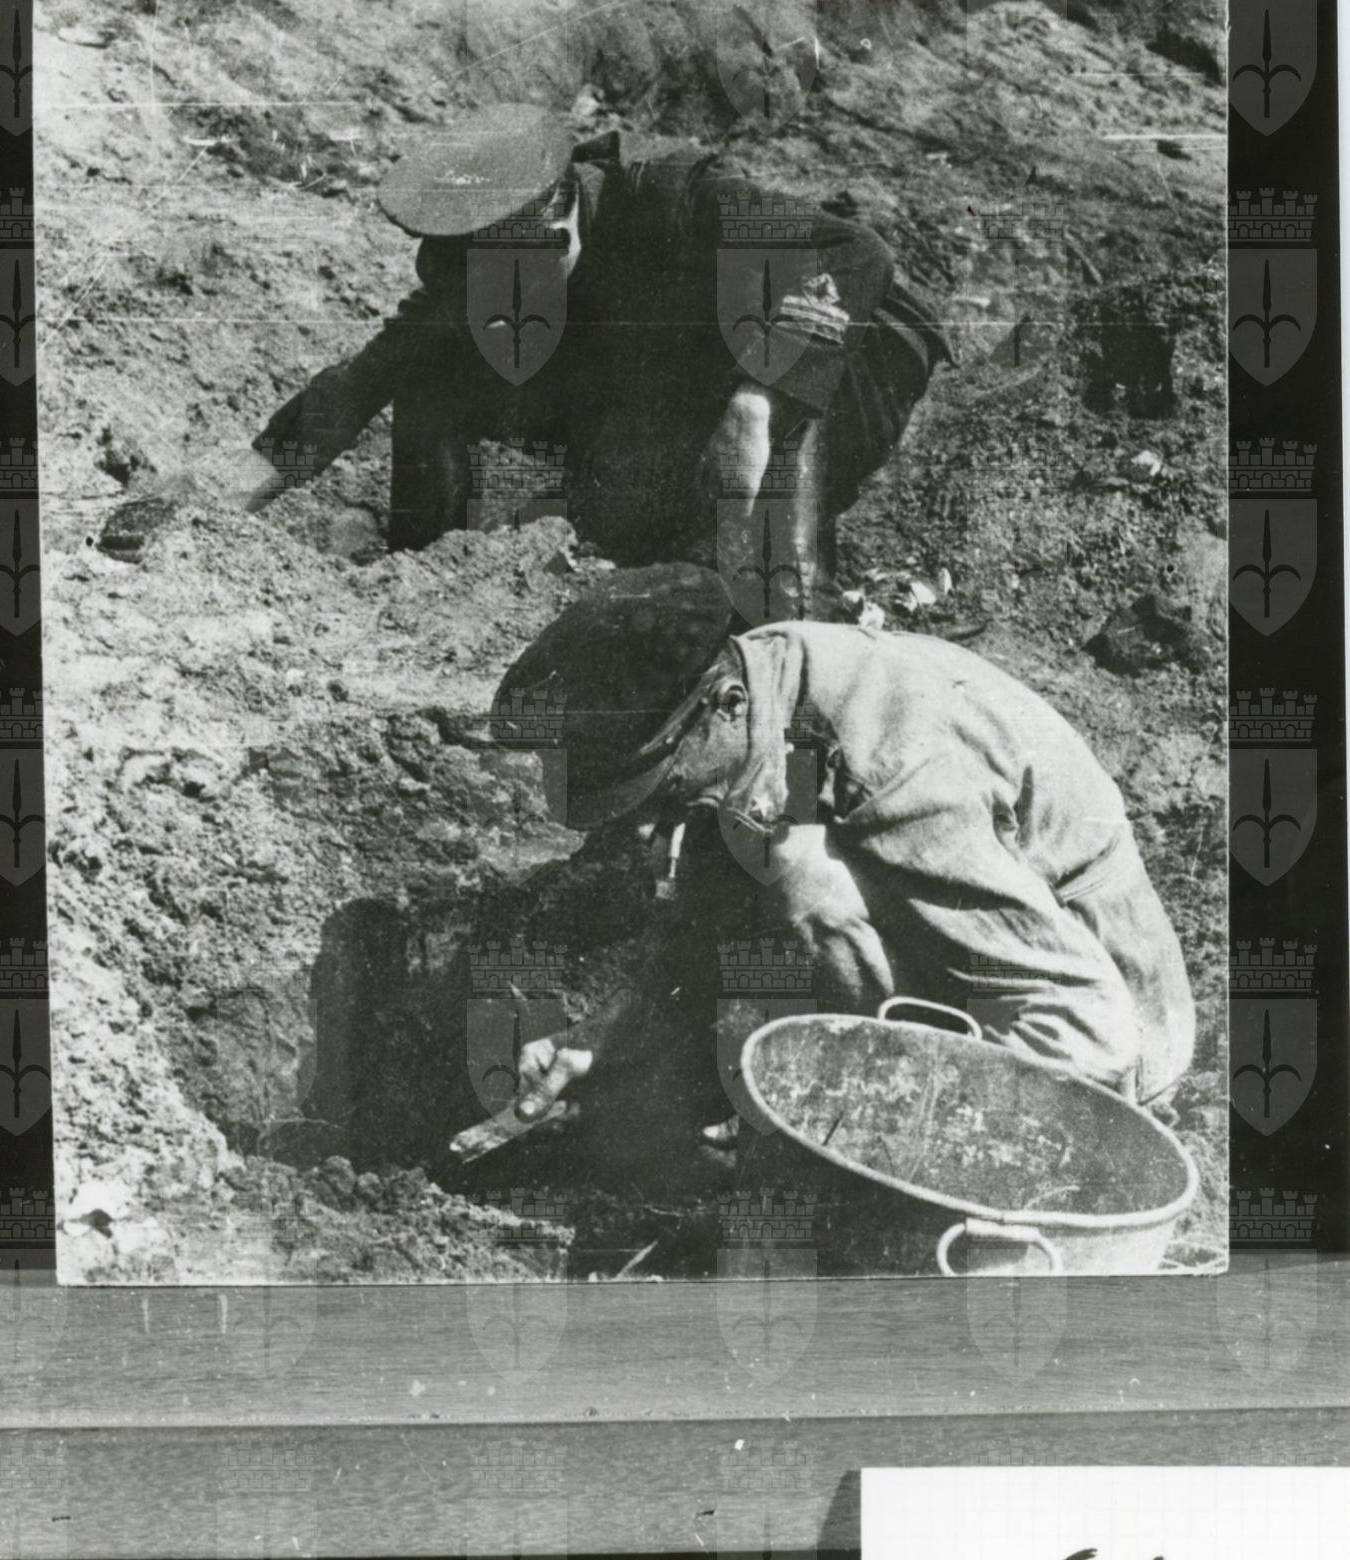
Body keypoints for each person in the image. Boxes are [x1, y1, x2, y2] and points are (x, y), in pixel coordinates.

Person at [488, 564, 1196, 1142]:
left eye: (661, 792)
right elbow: (717, 895)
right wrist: (606, 1034)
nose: (646, 831)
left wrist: (871, 1132)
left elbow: (1084, 1027)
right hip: (978, 958)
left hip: (1103, 1024)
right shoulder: (761, 682)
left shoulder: (900, 772)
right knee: (762, 852)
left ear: (726, 705)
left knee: (804, 879)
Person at [243, 103, 951, 620]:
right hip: (675, 376)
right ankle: (425, 570)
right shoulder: (484, 263)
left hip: (853, 355)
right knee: (435, 372)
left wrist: (758, 399)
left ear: (561, 224)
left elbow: (854, 252)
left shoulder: (675, 198)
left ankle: (796, 612)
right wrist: (241, 486)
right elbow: (370, 376)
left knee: (739, 531)